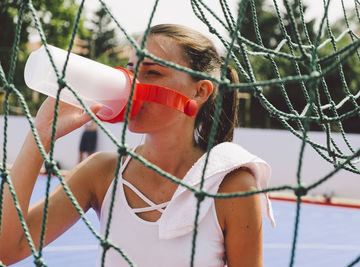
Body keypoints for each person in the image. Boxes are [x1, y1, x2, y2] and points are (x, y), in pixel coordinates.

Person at [0, 24, 274, 266]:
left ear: (200, 91)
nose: (131, 84)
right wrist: (39, 137)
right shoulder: (102, 172)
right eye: (131, 70)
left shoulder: (232, 186)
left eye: (152, 72)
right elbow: (9, 249)